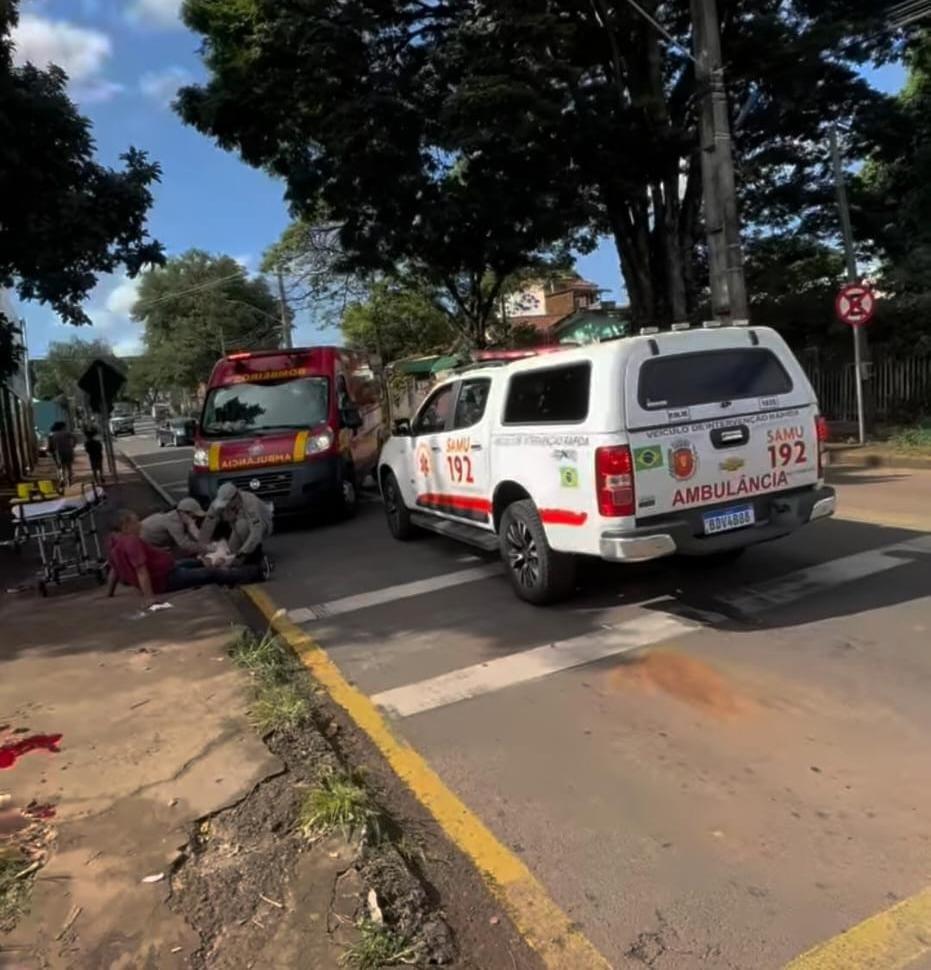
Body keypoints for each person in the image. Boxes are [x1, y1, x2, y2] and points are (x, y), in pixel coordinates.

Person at [106, 509, 265, 605]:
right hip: (166, 579)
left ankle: (235, 566)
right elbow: (141, 571)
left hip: (169, 569)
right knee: (210, 574)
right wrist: (149, 598)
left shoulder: (113, 543)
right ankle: (257, 572)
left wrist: (110, 593)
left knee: (197, 563)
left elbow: (114, 570)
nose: (140, 524)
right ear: (125, 526)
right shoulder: (131, 542)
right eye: (135, 522)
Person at [200, 482, 273, 565]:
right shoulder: (218, 502)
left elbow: (256, 531)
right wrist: (202, 546)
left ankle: (256, 554)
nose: (225, 506)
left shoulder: (250, 502)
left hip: (261, 525)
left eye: (227, 502)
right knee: (231, 553)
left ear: (236, 497)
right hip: (235, 526)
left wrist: (243, 553)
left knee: (242, 526)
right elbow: (208, 523)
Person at [142, 498, 208, 556]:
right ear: (184, 513)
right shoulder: (174, 522)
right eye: (193, 517)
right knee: (181, 554)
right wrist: (206, 548)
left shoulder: (176, 515)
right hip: (145, 545)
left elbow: (193, 535)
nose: (194, 519)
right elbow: (184, 544)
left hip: (153, 541)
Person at [47, 422, 76, 487]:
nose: (65, 428)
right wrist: (73, 445)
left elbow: (49, 445)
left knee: (61, 467)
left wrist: (50, 451)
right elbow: (74, 438)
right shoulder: (67, 433)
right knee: (69, 467)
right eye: (65, 426)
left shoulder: (52, 435)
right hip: (68, 451)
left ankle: (62, 479)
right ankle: (69, 481)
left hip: (59, 452)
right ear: (62, 427)